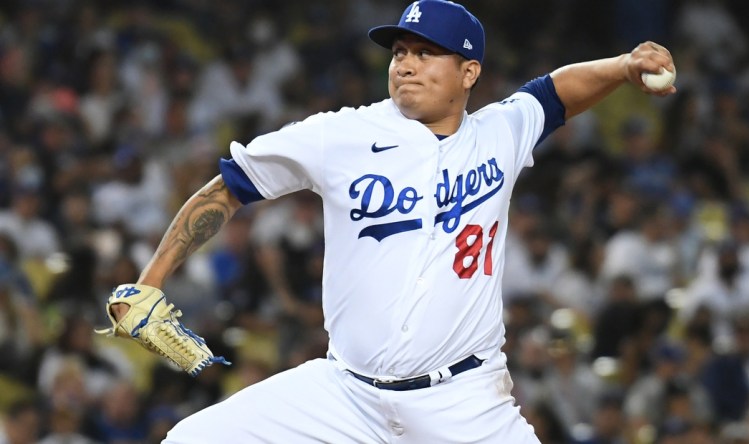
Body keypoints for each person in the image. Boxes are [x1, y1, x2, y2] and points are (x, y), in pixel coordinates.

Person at [106, 1, 676, 442]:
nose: (406, 63)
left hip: (463, 401)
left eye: (426, 52)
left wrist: (624, 67)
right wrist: (151, 279)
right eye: (400, 50)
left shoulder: (500, 133)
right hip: (343, 394)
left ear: (469, 70)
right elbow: (228, 188)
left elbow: (558, 92)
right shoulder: (341, 134)